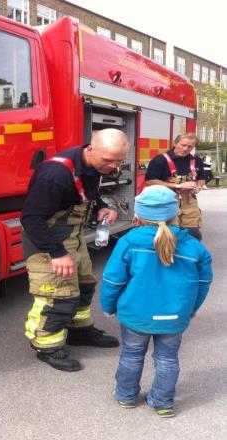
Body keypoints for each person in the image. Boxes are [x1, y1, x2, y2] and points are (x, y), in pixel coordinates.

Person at [22, 128, 130, 372]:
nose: (113, 167)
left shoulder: (92, 166)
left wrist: (102, 206)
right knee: (57, 294)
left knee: (84, 285)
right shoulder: (55, 174)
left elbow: (85, 194)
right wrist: (56, 253)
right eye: (108, 160)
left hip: (74, 237)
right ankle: (46, 344)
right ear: (90, 149)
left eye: (119, 161)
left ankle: (79, 331)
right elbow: (31, 218)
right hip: (48, 241)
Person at [100, 185, 212, 418]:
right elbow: (203, 282)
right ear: (175, 214)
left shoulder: (129, 242)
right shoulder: (193, 246)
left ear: (137, 216)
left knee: (131, 355)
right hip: (174, 316)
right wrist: (191, 309)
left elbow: (113, 280)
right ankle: (162, 402)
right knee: (167, 358)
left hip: (135, 315)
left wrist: (108, 306)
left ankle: (126, 395)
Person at [145, 133, 205, 240]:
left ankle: (190, 255)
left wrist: (198, 186)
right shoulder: (160, 160)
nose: (186, 149)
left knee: (193, 236)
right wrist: (178, 185)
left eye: (190, 147)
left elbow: (201, 178)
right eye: (183, 145)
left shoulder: (196, 160)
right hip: (167, 202)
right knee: (170, 236)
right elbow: (150, 181)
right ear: (175, 143)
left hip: (190, 204)